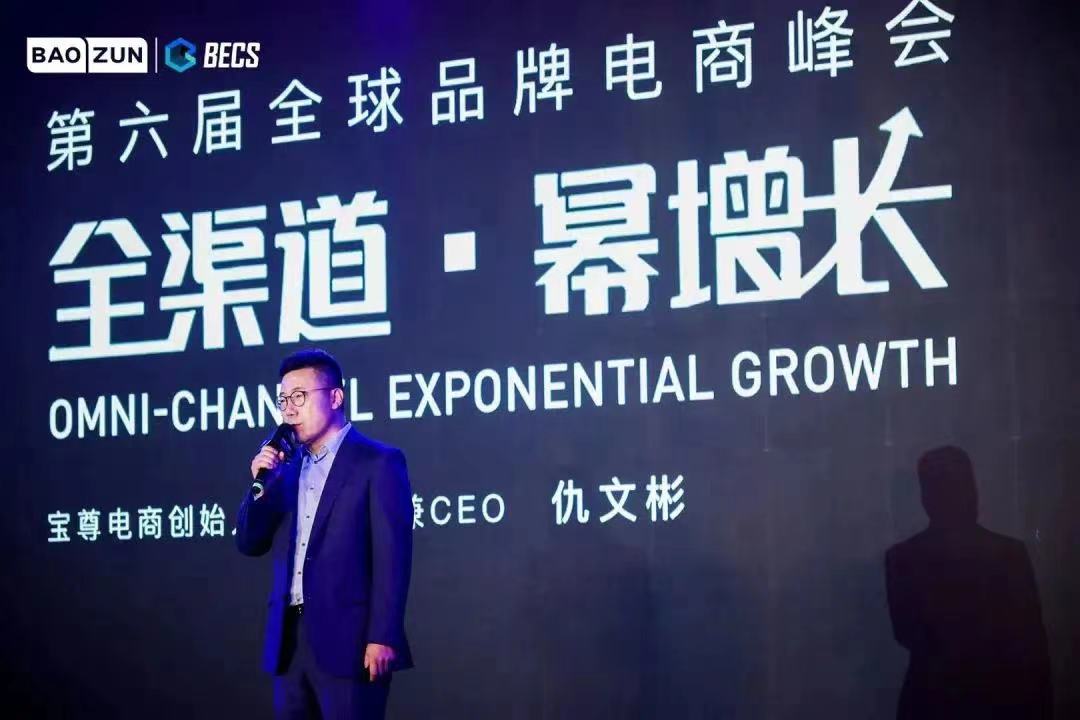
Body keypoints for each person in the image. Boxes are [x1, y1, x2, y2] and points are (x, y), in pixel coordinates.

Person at [236, 348, 413, 719]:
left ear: (335, 397)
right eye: (283, 400)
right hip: (289, 645)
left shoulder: (377, 461)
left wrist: (383, 635)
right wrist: (261, 486)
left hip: (351, 643)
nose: (289, 410)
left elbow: (392, 557)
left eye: (299, 397)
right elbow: (249, 542)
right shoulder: (284, 470)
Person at [885, 446, 1051, 720]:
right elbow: (1033, 645)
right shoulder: (1009, 554)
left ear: (925, 497)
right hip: (998, 701)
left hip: (932, 702)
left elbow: (909, 633)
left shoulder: (901, 558)